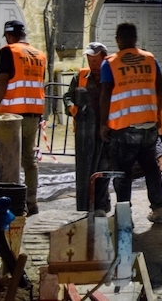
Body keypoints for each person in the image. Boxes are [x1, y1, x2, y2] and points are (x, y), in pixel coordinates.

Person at [99, 23, 162, 224]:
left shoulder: (110, 63)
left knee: (122, 173)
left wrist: (104, 124)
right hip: (148, 125)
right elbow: (160, 88)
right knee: (151, 169)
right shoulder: (150, 59)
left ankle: (123, 214)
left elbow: (105, 95)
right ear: (136, 39)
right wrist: (156, 115)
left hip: (124, 127)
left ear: (117, 39)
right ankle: (159, 210)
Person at [0, 20, 46, 216]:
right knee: (29, 159)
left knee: (9, 159)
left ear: (9, 35)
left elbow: (2, 81)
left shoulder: (9, 51)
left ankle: (11, 204)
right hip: (33, 114)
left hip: (12, 116)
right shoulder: (40, 55)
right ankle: (32, 201)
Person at [63, 42, 112, 215]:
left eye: (95, 60)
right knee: (85, 170)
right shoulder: (81, 76)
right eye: (89, 60)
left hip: (106, 131)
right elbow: (68, 96)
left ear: (104, 58)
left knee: (103, 168)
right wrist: (72, 108)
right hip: (85, 134)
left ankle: (101, 204)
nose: (92, 63)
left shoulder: (111, 77)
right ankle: (87, 205)